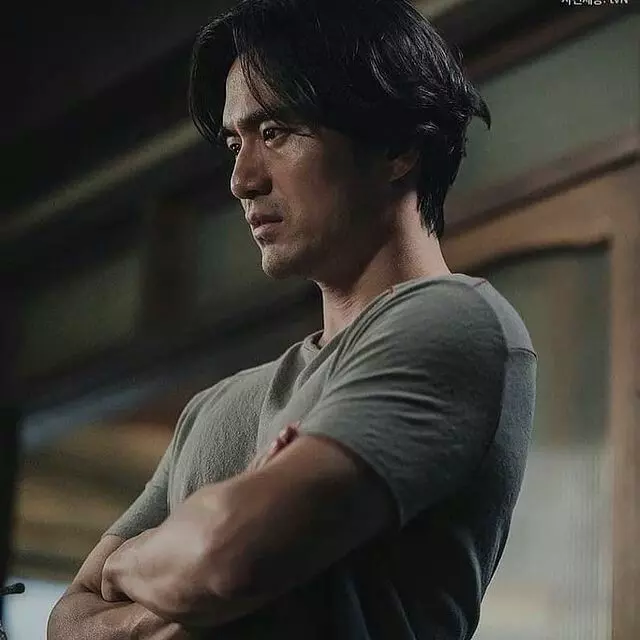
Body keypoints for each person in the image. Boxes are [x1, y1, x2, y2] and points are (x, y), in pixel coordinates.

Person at [48, 0, 537, 638]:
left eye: (275, 132)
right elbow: (68, 618)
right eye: (235, 143)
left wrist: (131, 562)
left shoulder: (455, 320)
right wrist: (166, 605)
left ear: (397, 145)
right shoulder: (215, 408)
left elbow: (223, 558)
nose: (241, 179)